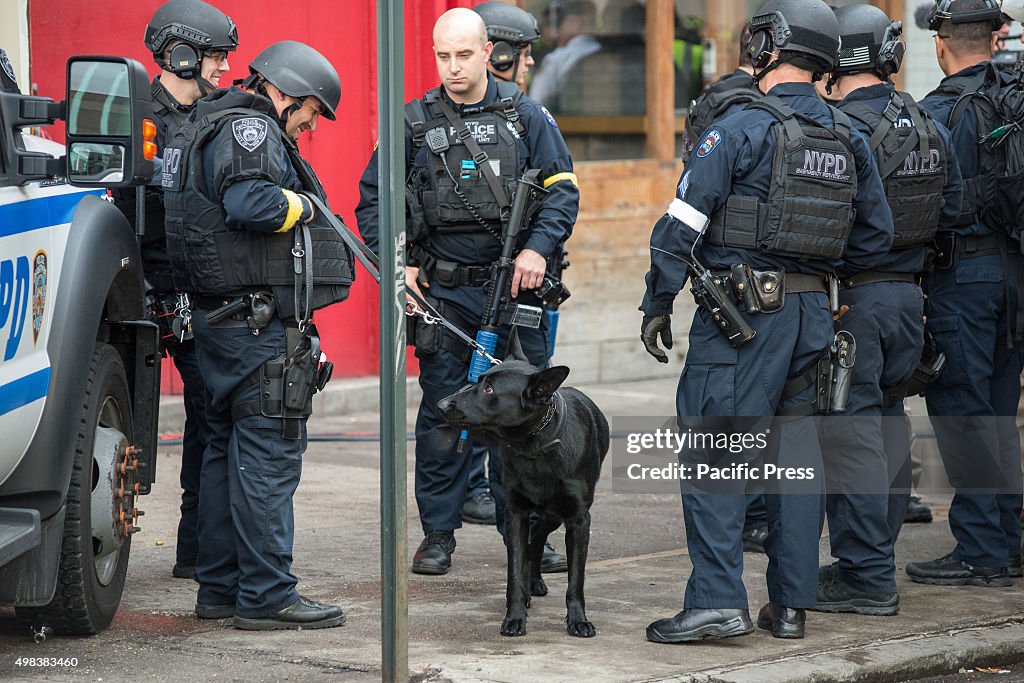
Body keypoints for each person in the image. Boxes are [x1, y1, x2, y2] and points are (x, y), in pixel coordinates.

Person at [640, 0, 893, 643]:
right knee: (795, 465)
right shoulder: (846, 135)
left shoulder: (738, 126)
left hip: (743, 319)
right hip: (813, 317)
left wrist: (658, 301)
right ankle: (789, 608)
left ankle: (718, 601)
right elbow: (874, 237)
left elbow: (682, 223)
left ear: (769, 43)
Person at [355, 8, 579, 576]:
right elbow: (373, 200)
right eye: (442, 56)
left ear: (487, 53)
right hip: (443, 294)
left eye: (463, 55)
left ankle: (526, 534)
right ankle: (438, 534)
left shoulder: (527, 116)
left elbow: (562, 190)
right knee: (442, 415)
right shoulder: (411, 121)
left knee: (529, 419)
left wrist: (537, 248)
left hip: (516, 292)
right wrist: (398, 260)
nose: (453, 68)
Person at [162, 40, 351, 630]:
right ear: (287, 94)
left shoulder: (209, 124)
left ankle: (219, 591)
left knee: (223, 454)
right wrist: (306, 206)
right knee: (269, 458)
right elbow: (252, 204)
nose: (308, 127)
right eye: (310, 114)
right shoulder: (251, 128)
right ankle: (269, 595)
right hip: (256, 328)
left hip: (223, 323)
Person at [814, 3, 962, 617]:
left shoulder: (842, 128)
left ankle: (866, 576)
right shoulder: (926, 120)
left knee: (851, 437)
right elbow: (952, 213)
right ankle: (873, 559)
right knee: (888, 424)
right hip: (909, 299)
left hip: (855, 303)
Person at [114, 0, 238, 581]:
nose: (222, 69)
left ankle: (197, 549)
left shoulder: (215, 118)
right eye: (217, 56)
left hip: (193, 290)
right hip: (134, 288)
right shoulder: (132, 116)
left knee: (209, 414)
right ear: (181, 54)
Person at [909, 0, 1023, 587]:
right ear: (995, 39)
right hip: (1016, 276)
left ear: (941, 43)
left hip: (963, 281)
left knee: (962, 413)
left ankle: (982, 550)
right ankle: (1008, 539)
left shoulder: (938, 112)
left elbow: (926, 208)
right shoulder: (1016, 100)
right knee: (1000, 413)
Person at [680, 21, 769, 555]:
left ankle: (718, 591)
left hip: (730, 293)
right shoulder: (810, 117)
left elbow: (688, 202)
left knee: (714, 433)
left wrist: (659, 297)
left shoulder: (719, 111)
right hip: (793, 298)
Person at [529, 0, 600, 108]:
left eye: (557, 23)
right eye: (547, 24)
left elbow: (535, 105)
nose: (548, 30)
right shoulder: (601, 50)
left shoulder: (556, 59)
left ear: (576, 23)